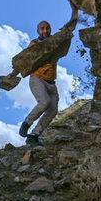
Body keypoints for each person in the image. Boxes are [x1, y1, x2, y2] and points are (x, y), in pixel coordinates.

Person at [19, 8, 77, 145]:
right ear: (38, 31)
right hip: (37, 78)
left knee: (53, 110)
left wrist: (67, 34)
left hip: (51, 82)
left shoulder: (55, 43)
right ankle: (27, 123)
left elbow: (63, 49)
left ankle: (34, 136)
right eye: (42, 29)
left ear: (50, 29)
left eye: (47, 28)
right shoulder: (35, 44)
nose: (45, 31)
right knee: (44, 102)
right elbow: (28, 58)